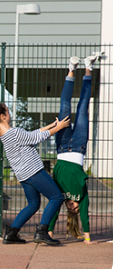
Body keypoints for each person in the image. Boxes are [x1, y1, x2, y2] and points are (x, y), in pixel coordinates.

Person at [0, 98, 71, 245]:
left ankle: (12, 233)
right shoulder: (14, 132)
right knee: (56, 197)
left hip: (23, 176)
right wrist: (59, 127)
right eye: (7, 111)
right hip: (34, 172)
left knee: (33, 204)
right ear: (3, 116)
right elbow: (36, 137)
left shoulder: (5, 135)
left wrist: (52, 125)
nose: (9, 114)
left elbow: (31, 135)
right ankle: (42, 232)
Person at [48, 56, 98, 245]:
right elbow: (85, 215)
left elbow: (52, 213)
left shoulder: (60, 196)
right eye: (76, 208)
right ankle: (88, 68)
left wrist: (50, 232)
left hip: (62, 145)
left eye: (73, 209)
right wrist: (87, 237)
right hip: (78, 145)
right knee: (83, 107)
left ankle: (71, 69)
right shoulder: (81, 196)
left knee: (65, 107)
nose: (74, 207)